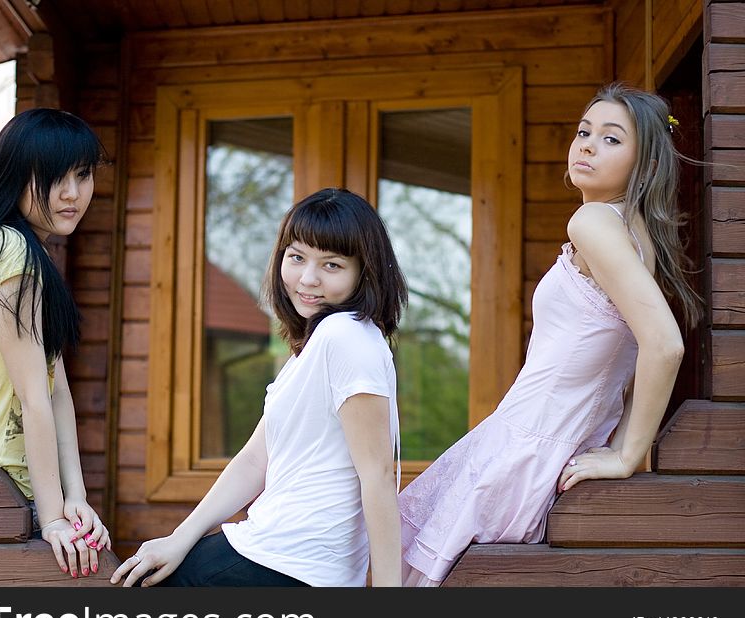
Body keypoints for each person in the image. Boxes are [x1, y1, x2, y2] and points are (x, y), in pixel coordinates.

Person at [398, 82, 702, 587]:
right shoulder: (635, 234)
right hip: (534, 446)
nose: (586, 145)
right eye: (585, 132)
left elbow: (665, 345)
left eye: (611, 139)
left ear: (645, 161)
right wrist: (622, 445)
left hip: (525, 452)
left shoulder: (593, 222)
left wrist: (628, 455)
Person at [111, 187, 408, 587]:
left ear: (363, 272)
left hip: (290, 565)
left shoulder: (347, 338)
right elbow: (255, 460)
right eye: (297, 257)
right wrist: (180, 538)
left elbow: (376, 475)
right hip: (275, 554)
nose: (308, 278)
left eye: (332, 265)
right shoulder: (314, 346)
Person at [0, 108, 112, 578]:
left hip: (6, 486)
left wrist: (76, 498)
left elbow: (56, 390)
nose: (73, 193)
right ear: (16, 177)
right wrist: (53, 517)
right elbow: (34, 399)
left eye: (82, 175)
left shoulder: (21, 252)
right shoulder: (8, 249)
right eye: (54, 178)